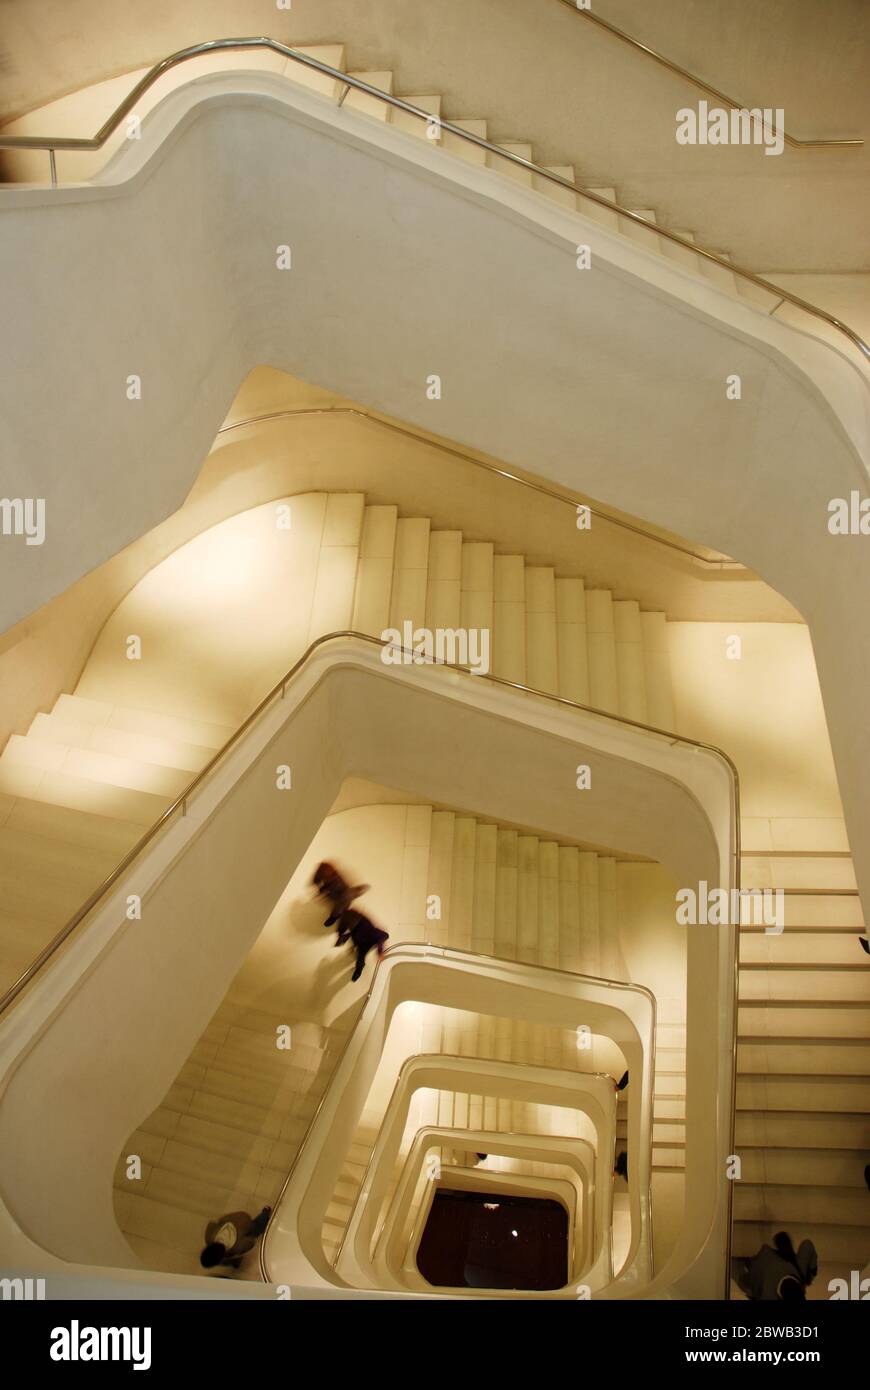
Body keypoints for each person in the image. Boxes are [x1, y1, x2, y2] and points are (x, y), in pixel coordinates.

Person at [732, 1231, 817, 1301]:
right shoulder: (768, 1295)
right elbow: (807, 1245)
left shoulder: (799, 1271)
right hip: (749, 1268)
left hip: (758, 1256)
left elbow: (807, 1245)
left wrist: (811, 1273)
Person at [200, 1206, 271, 1271]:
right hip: (232, 1218)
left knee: (256, 1228)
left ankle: (265, 1214)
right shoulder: (208, 1236)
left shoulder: (237, 1247)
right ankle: (265, 1213)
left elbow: (251, 1242)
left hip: (245, 1220)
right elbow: (212, 1223)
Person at [335, 906, 390, 981]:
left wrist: (380, 951)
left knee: (360, 957)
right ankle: (358, 969)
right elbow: (343, 928)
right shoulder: (350, 920)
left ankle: (358, 971)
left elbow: (383, 936)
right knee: (359, 956)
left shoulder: (365, 926)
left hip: (369, 940)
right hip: (361, 942)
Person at [311, 861, 369, 927]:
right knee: (344, 896)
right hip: (336, 892)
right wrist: (321, 889)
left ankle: (334, 917)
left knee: (343, 901)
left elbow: (341, 900)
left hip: (343, 895)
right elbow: (315, 880)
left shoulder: (338, 880)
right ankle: (357, 891)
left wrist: (334, 916)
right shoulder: (323, 873)